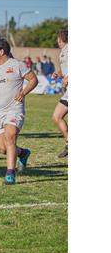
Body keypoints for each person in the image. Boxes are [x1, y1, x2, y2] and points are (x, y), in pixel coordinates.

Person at [0, 39, 37, 185]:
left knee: (10, 137)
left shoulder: (17, 65)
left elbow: (33, 80)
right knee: (3, 148)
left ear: (1, 51)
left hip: (14, 109)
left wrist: (23, 93)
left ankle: (10, 174)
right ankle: (23, 153)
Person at [51, 29, 68, 158]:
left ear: (61, 38)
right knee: (57, 116)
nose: (57, 41)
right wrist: (59, 74)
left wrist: (68, 78)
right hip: (68, 91)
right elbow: (65, 70)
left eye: (58, 38)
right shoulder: (63, 52)